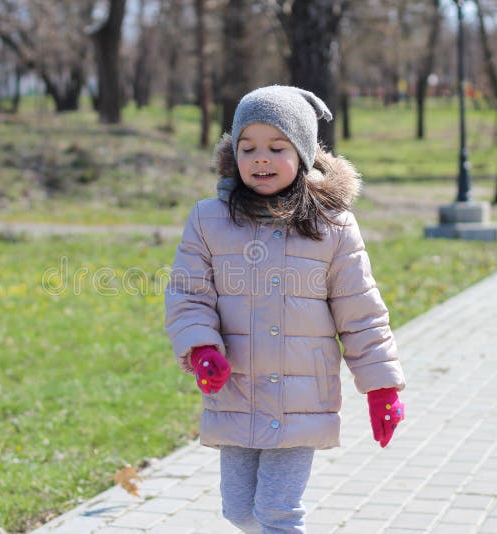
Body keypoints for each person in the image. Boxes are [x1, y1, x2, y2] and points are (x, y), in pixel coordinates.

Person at [165, 85, 406, 533]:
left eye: (277, 148)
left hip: (300, 395)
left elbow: (362, 313)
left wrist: (381, 388)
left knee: (278, 512)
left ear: (304, 153)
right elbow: (188, 294)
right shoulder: (208, 219)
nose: (261, 158)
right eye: (248, 147)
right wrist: (201, 348)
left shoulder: (333, 226)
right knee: (239, 511)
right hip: (235, 389)